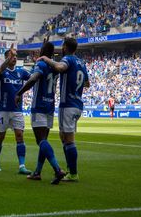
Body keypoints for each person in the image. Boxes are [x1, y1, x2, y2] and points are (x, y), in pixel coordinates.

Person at [37, 37, 90, 182]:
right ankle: (70, 170)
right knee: (63, 136)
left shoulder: (68, 59)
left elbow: (60, 67)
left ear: (66, 47)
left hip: (68, 104)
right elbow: (87, 83)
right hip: (78, 104)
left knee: (69, 140)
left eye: (62, 46)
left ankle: (73, 173)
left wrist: (45, 59)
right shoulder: (81, 62)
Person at [15, 40, 66, 184]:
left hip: (39, 106)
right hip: (50, 106)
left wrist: (19, 93)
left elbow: (33, 79)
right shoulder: (55, 66)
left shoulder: (41, 64)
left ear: (43, 51)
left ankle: (57, 169)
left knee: (41, 140)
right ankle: (37, 172)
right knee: (44, 140)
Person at [0, 47, 32, 174]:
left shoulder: (21, 72)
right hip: (3, 110)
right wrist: (8, 58)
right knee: (0, 137)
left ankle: (22, 166)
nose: (14, 57)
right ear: (6, 58)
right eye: (11, 56)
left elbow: (34, 78)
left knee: (20, 136)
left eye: (15, 56)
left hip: (17, 110)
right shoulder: (1, 72)